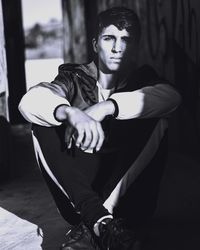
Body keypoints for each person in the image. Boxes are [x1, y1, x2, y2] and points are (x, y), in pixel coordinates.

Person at [19, 7, 181, 250]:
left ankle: (95, 226)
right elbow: (29, 101)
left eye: (126, 40)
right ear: (96, 44)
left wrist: (107, 107)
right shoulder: (74, 78)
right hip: (82, 202)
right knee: (42, 123)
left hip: (131, 205)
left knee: (158, 117)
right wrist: (71, 112)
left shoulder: (142, 79)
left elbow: (172, 98)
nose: (117, 48)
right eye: (109, 38)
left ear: (135, 47)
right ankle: (102, 223)